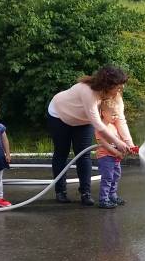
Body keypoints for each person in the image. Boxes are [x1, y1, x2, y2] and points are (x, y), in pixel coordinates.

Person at [47, 65, 134, 206]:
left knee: (84, 155)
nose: (121, 89)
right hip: (59, 115)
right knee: (61, 153)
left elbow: (120, 119)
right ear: (107, 85)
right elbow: (98, 124)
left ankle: (85, 193)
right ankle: (60, 192)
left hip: (83, 121)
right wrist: (118, 143)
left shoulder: (115, 96)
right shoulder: (88, 92)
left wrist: (128, 142)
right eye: (118, 86)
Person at [95, 99, 132, 209]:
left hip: (115, 157)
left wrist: (126, 148)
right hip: (105, 157)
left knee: (116, 176)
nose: (115, 117)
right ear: (103, 113)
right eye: (113, 114)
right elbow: (103, 143)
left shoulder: (113, 126)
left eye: (117, 114)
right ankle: (103, 199)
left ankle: (112, 196)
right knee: (107, 177)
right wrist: (116, 152)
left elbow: (119, 141)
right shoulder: (100, 127)